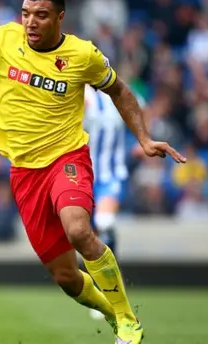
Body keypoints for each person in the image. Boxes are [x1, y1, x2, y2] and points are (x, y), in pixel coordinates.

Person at [0, 0, 186, 343]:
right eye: (26, 13)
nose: (30, 22)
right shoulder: (5, 38)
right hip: (24, 171)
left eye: (40, 15)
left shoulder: (82, 55)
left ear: (59, 17)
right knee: (67, 279)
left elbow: (119, 90)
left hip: (66, 158)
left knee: (79, 230)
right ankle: (110, 311)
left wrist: (144, 138)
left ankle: (128, 318)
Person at [83, 84, 129, 321]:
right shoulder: (82, 94)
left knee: (105, 222)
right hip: (84, 174)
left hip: (110, 174)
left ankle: (110, 290)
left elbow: (140, 110)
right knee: (86, 234)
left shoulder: (120, 93)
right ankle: (99, 287)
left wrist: (144, 140)